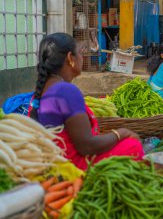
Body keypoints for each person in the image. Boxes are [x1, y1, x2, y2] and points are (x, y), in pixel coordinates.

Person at [28, 33, 144, 170]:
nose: (82, 58)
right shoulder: (65, 90)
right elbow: (86, 146)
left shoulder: (43, 89)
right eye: (80, 53)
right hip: (71, 166)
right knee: (132, 146)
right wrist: (121, 133)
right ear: (70, 58)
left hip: (53, 162)